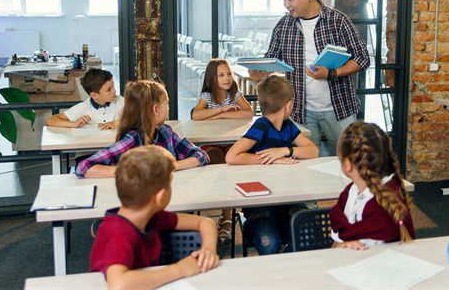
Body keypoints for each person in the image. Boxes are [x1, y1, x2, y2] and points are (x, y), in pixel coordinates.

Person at [248, 0, 370, 156]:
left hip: (339, 109)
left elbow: (363, 58)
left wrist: (331, 73)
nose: (286, 4)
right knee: (305, 165)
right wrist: (261, 71)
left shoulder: (338, 21)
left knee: (350, 160)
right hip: (300, 111)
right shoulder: (283, 25)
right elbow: (271, 58)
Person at [89, 145, 219, 290]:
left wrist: (208, 250)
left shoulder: (153, 217)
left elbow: (205, 222)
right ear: (160, 196)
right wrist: (179, 270)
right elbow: (118, 284)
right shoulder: (118, 233)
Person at [225, 75, 319, 255]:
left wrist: (285, 150)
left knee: (308, 233)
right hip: (260, 204)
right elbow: (232, 156)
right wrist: (271, 160)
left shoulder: (287, 126)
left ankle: (286, 266)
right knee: (270, 243)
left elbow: (313, 150)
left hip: (287, 199)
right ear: (288, 105)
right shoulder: (261, 126)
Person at [76, 80, 209, 178]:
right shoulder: (131, 140)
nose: (168, 108)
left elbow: (201, 155)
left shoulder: (166, 132)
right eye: (167, 104)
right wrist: (134, 171)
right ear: (156, 109)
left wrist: (170, 167)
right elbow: (84, 167)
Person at [192, 58, 254, 240]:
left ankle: (227, 217)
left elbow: (248, 113)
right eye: (221, 75)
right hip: (212, 144)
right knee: (216, 157)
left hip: (232, 143)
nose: (227, 78)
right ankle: (225, 214)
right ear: (212, 78)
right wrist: (223, 110)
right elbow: (196, 115)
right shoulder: (207, 96)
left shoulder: (235, 93)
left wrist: (221, 115)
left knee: (229, 162)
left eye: (228, 73)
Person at [330, 121, 415, 249]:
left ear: (347, 164)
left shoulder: (381, 205)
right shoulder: (350, 192)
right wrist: (341, 246)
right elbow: (337, 243)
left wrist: (341, 246)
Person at [46, 68, 124, 130]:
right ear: (94, 95)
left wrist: (117, 122)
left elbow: (136, 118)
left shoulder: (122, 102)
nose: (114, 91)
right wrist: (74, 124)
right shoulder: (84, 107)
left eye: (113, 86)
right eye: (109, 89)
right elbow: (51, 121)